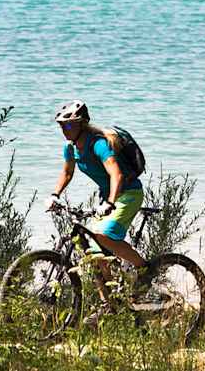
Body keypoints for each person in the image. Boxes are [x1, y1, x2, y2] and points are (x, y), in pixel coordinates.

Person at [45, 100, 146, 319]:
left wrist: (110, 202)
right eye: (62, 126)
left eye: (69, 126)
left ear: (82, 124)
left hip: (128, 194)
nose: (65, 130)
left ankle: (144, 269)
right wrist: (55, 195)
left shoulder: (99, 144)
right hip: (108, 195)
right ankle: (108, 305)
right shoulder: (70, 148)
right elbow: (67, 173)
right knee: (94, 252)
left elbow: (116, 174)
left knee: (102, 234)